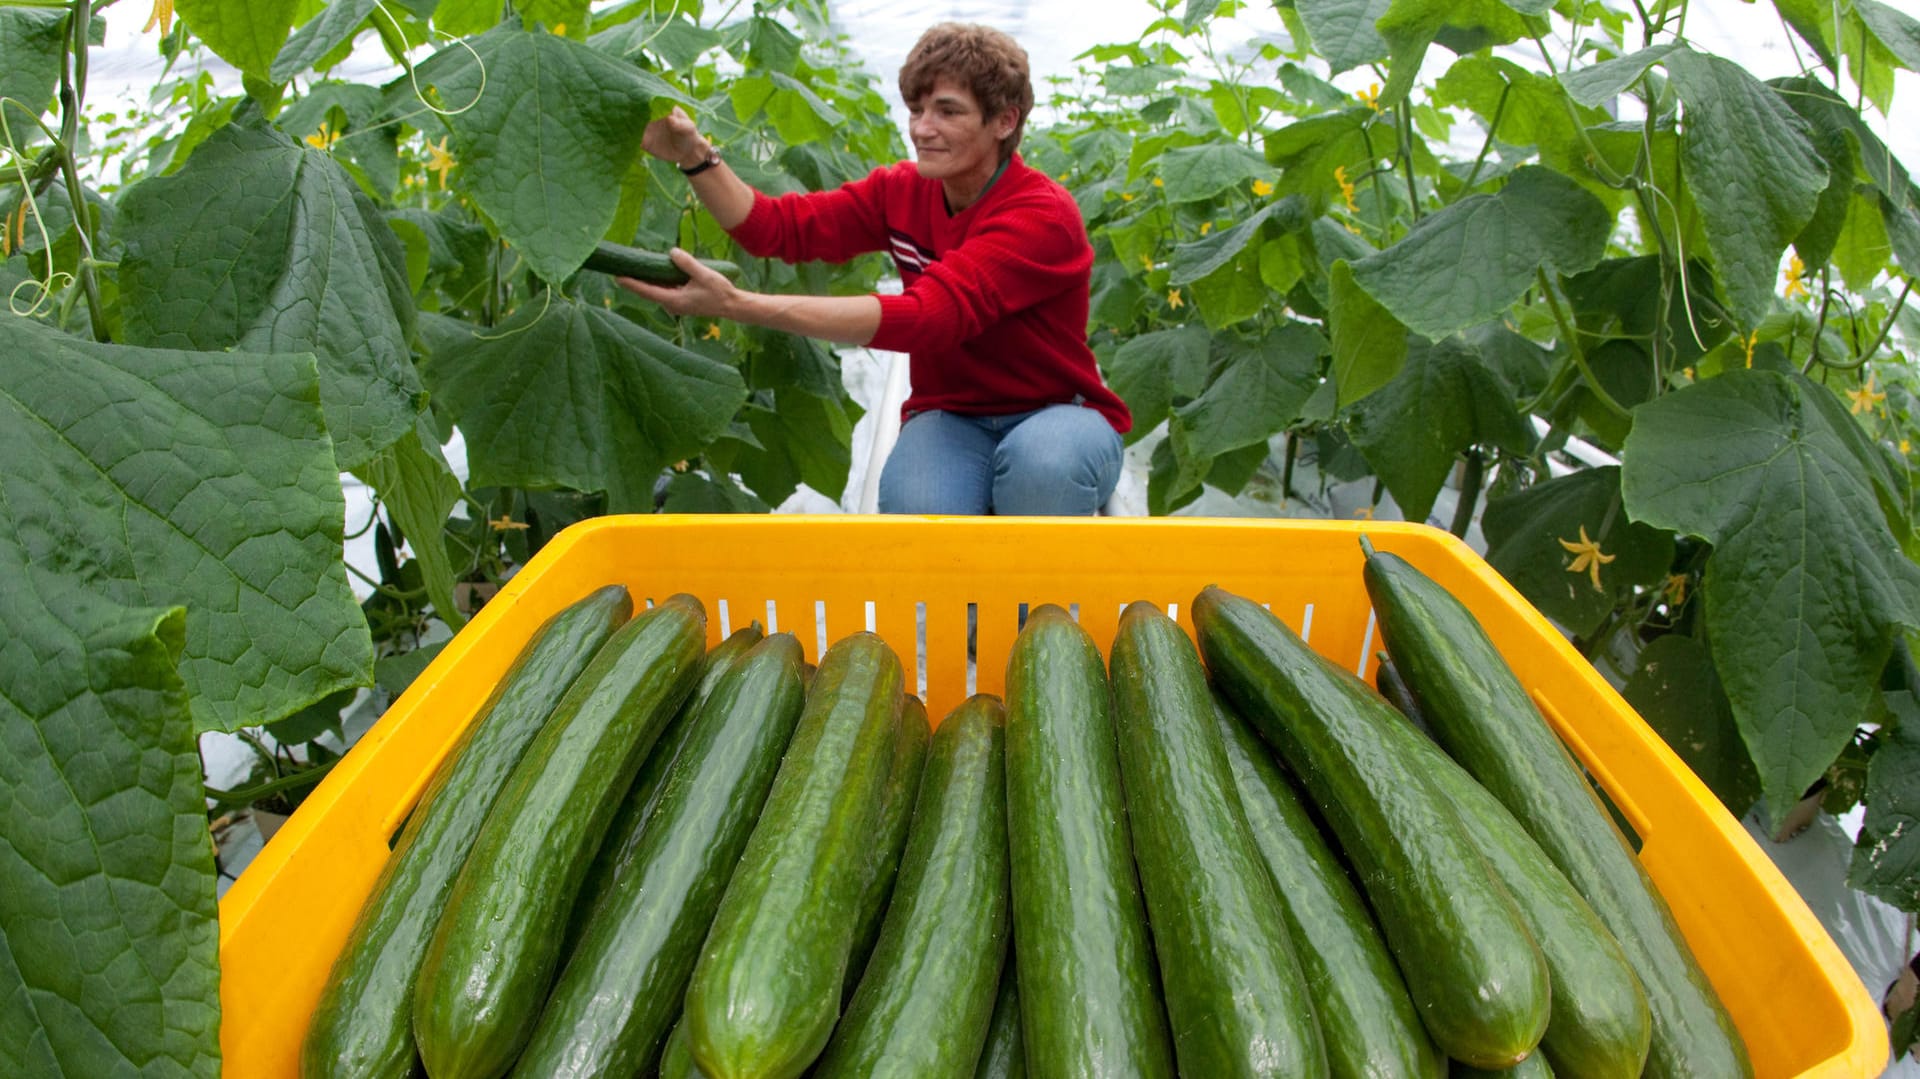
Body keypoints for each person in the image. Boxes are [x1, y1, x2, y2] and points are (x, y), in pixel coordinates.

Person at [621, 22, 1131, 516]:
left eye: (947, 111)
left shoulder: (1041, 215)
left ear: (1004, 121)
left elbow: (929, 317)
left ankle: (1033, 600)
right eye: (917, 109)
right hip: (952, 414)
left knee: (1040, 473)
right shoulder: (901, 191)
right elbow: (775, 228)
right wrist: (693, 155)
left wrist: (738, 306)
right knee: (918, 513)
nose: (922, 129)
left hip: (1059, 411)